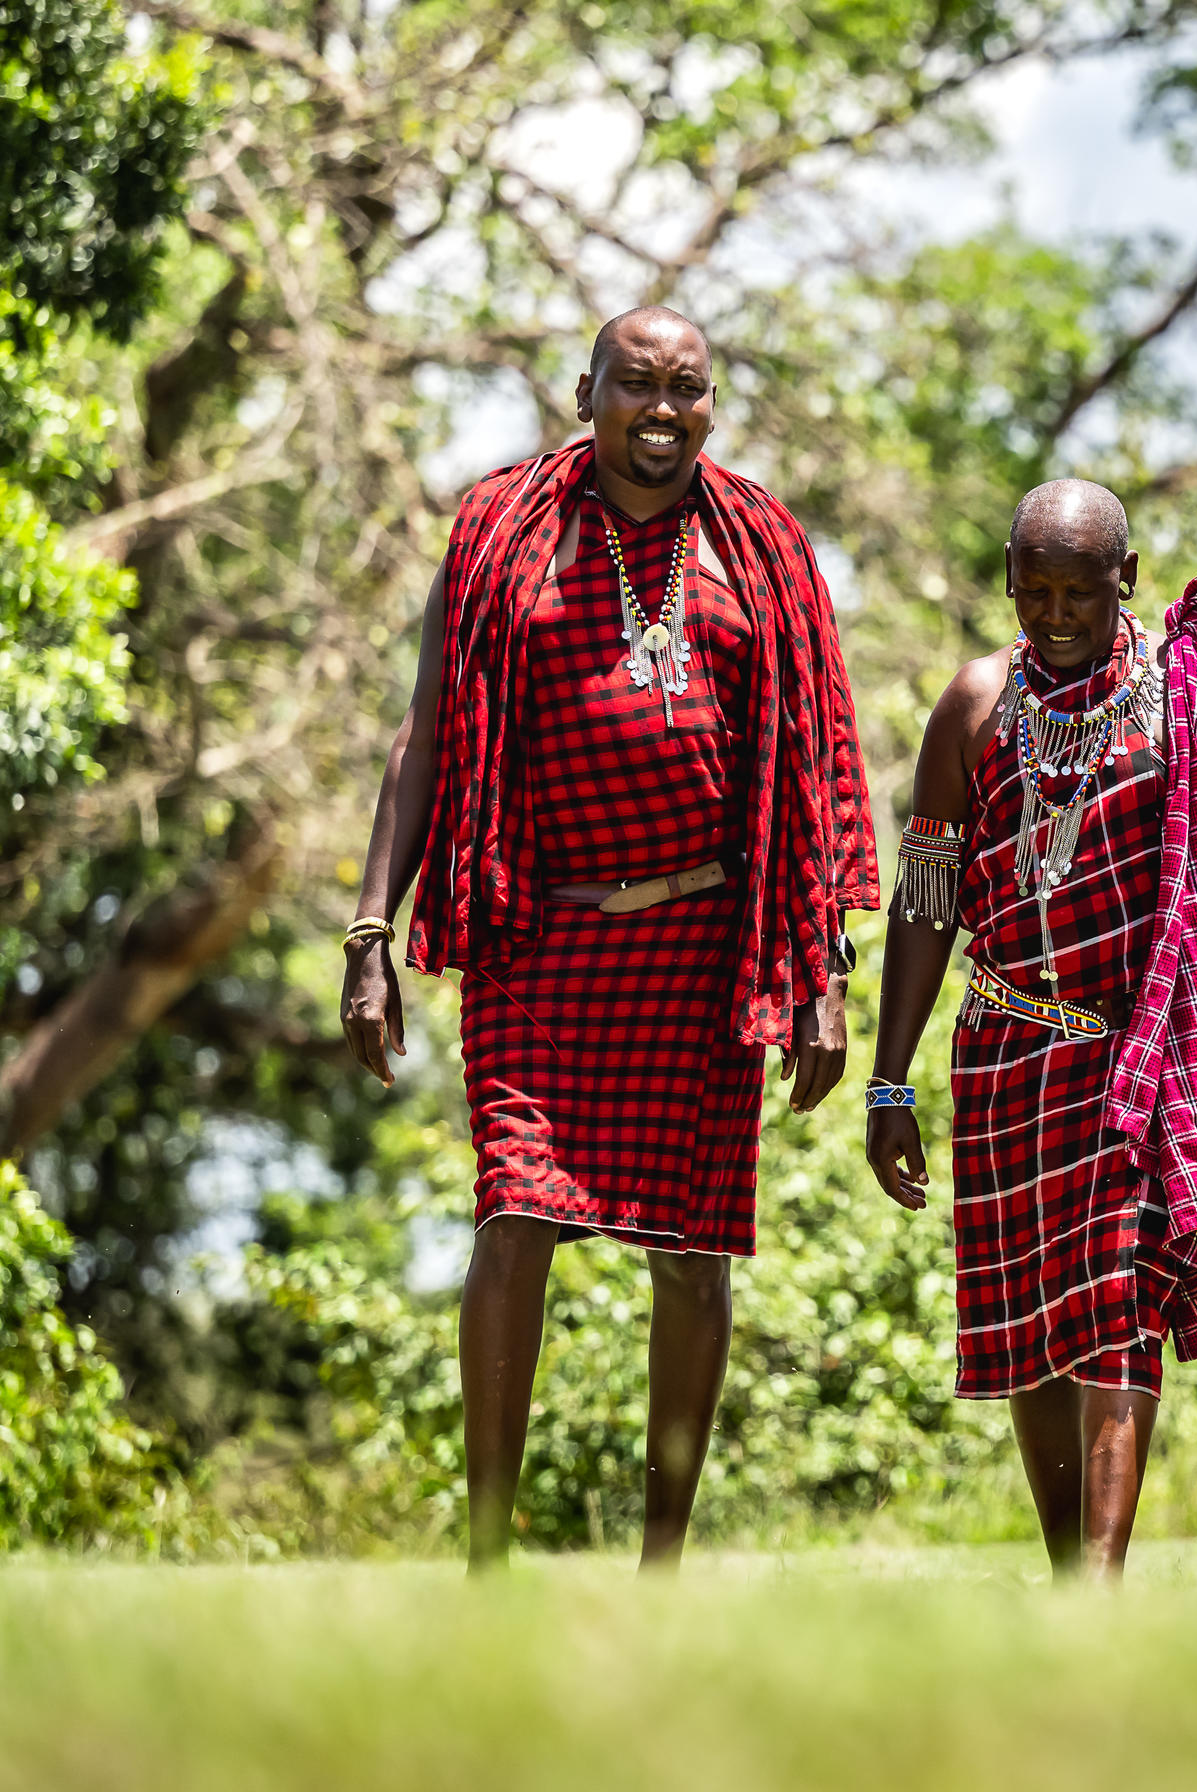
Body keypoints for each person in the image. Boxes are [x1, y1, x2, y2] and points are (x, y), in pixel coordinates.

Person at [342, 306, 880, 1571]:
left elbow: (810, 769)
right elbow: (425, 732)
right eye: (635, 384)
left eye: (686, 388)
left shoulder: (764, 548)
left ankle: (660, 1569)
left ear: (712, 404)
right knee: (513, 1216)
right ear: (586, 391)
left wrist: (820, 976)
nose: (660, 408)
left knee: (692, 1258)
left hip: (706, 952)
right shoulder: (499, 531)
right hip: (540, 934)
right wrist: (373, 930)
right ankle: (483, 1559)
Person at [855, 480, 1197, 1582]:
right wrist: (890, 1087)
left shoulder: (1194, 701)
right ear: (1011, 588)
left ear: (1129, 579)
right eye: (1038, 594)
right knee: (1030, 1328)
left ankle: (1101, 1588)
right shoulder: (974, 708)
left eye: (1084, 592)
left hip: (1147, 1059)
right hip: (1006, 1055)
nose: (1060, 615)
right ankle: (1070, 1571)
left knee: (1119, 1308)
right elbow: (925, 902)